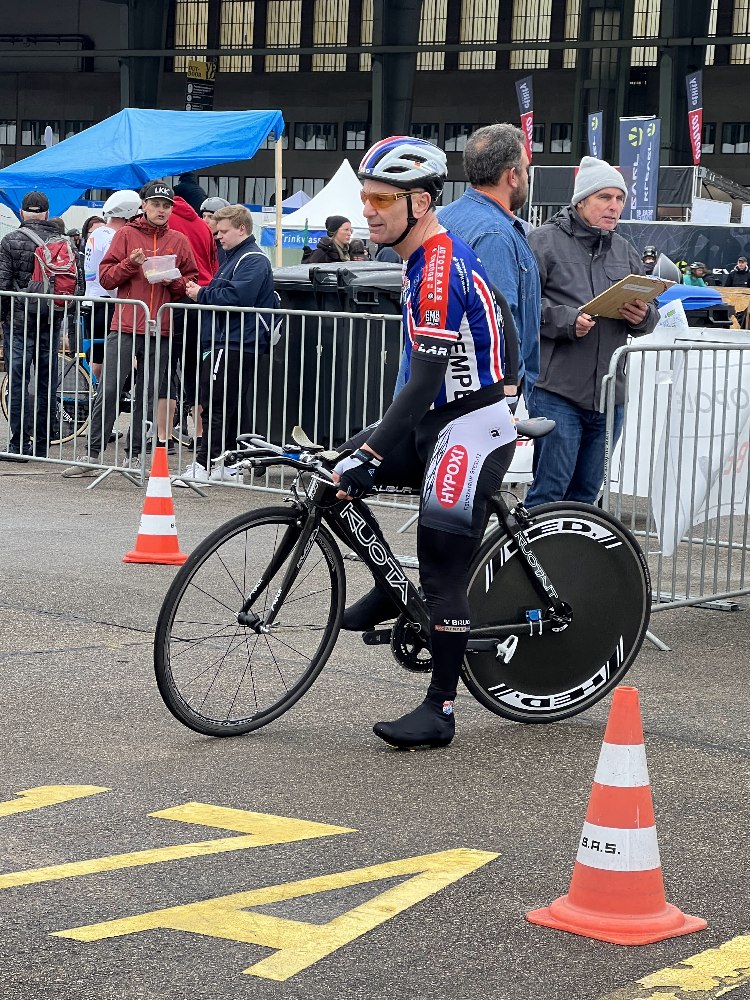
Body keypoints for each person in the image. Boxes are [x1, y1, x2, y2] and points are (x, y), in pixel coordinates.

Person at [331, 136, 516, 750]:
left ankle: (441, 709)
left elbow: (427, 377)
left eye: (384, 199)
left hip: (472, 428)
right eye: (366, 197)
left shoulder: (438, 265)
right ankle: (389, 587)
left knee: (440, 569)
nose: (369, 209)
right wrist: (361, 456)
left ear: (422, 203)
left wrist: (373, 455)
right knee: (332, 481)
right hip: (437, 420)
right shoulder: (426, 257)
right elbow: (501, 314)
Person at [524, 155, 658, 508]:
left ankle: (574, 547)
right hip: (557, 390)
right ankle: (534, 545)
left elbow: (651, 314)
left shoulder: (624, 249)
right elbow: (520, 306)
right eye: (604, 197)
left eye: (620, 199)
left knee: (586, 496)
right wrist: (566, 320)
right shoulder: (542, 242)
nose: (614, 206)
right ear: (581, 201)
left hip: (609, 394)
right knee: (550, 492)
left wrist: (642, 316)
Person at [63, 181, 198, 475]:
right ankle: (92, 454)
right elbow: (106, 278)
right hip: (124, 325)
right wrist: (129, 264)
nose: (161, 210)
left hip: (160, 328)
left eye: (166, 206)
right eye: (156, 204)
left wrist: (172, 281)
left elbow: (190, 283)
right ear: (144, 206)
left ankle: (135, 455)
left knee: (148, 394)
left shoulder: (179, 240)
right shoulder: (126, 234)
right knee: (109, 389)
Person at [439, 123, 540, 405]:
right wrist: (509, 388)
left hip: (449, 383)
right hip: (484, 392)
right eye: (526, 169)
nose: (527, 177)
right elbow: (500, 321)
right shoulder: (495, 233)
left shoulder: (444, 218)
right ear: (512, 176)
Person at [178, 204, 275, 485]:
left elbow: (236, 297)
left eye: (223, 231)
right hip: (231, 340)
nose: (218, 236)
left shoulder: (252, 259)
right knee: (224, 405)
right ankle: (226, 465)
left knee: (216, 405)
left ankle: (205, 464)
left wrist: (201, 293)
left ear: (241, 229)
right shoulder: (238, 258)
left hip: (234, 340)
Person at [0, 191, 84, 460]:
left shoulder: (10, 241)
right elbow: (77, 287)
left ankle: (18, 444)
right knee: (47, 383)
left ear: (21, 213)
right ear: (48, 214)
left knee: (18, 382)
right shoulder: (64, 242)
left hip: (19, 323)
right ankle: (42, 444)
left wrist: (3, 319)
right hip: (51, 321)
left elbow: (3, 285)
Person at [159, 194, 220, 451]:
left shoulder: (165, 224)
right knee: (196, 370)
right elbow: (213, 264)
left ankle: (163, 437)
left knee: (166, 369)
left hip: (175, 298)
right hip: (201, 300)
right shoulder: (201, 226)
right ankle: (200, 434)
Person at [200, 196, 231, 265]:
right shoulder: (200, 244)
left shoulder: (228, 249)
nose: (205, 221)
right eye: (204, 216)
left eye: (211, 217)